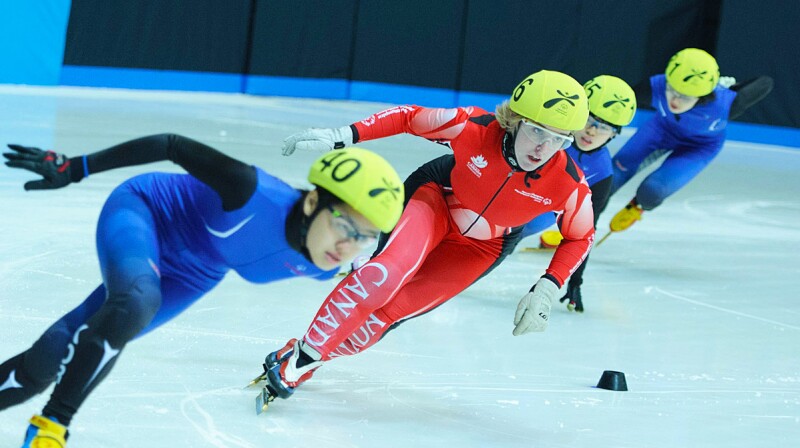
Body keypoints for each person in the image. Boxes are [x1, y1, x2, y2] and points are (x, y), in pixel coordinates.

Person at [0, 134, 404, 447]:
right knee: (138, 302)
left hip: (197, 272)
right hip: (147, 212)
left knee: (51, 361)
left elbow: (378, 291)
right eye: (344, 226)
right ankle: (52, 427)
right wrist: (77, 167)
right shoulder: (250, 190)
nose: (347, 245)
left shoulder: (325, 263)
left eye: (364, 238)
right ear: (313, 200)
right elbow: (171, 145)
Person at [257, 70, 595, 403]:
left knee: (379, 322)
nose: (543, 147)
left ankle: (301, 352)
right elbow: (409, 117)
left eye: (559, 140)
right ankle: (301, 363)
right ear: (515, 120)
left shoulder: (568, 182)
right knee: (386, 275)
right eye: (536, 131)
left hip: (485, 246)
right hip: (435, 199)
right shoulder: (474, 127)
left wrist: (549, 286)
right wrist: (343, 134)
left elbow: (581, 236)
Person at [607, 48, 774, 232]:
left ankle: (637, 204)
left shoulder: (726, 103)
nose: (674, 99)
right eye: (671, 89)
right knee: (611, 177)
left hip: (699, 147)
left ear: (703, 95)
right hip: (661, 131)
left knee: (651, 192)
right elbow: (619, 100)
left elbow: (766, 82)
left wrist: (736, 88)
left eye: (685, 96)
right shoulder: (657, 86)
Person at [518, 75, 638, 313]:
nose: (592, 131)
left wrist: (574, 280)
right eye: (590, 119)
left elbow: (585, 232)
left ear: (614, 134)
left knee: (519, 228)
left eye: (604, 127)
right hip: (506, 194)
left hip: (537, 209)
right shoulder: (547, 132)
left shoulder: (603, 172)